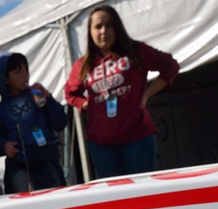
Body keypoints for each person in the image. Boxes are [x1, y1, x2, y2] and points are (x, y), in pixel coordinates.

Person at [64, 5, 179, 179]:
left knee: (142, 196)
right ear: (90, 32)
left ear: (117, 27)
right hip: (101, 146)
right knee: (116, 200)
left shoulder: (135, 51)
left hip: (137, 139)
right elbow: (70, 93)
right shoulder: (83, 64)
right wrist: (85, 104)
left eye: (109, 25)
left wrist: (146, 95)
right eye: (98, 27)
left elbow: (170, 66)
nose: (104, 31)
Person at [0, 52, 68, 192]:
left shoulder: (37, 96)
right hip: (19, 165)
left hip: (46, 159)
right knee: (23, 204)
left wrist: (49, 99)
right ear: (6, 80)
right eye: (17, 72)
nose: (25, 75)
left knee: (54, 200)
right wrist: (4, 146)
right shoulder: (0, 110)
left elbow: (60, 123)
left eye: (26, 69)